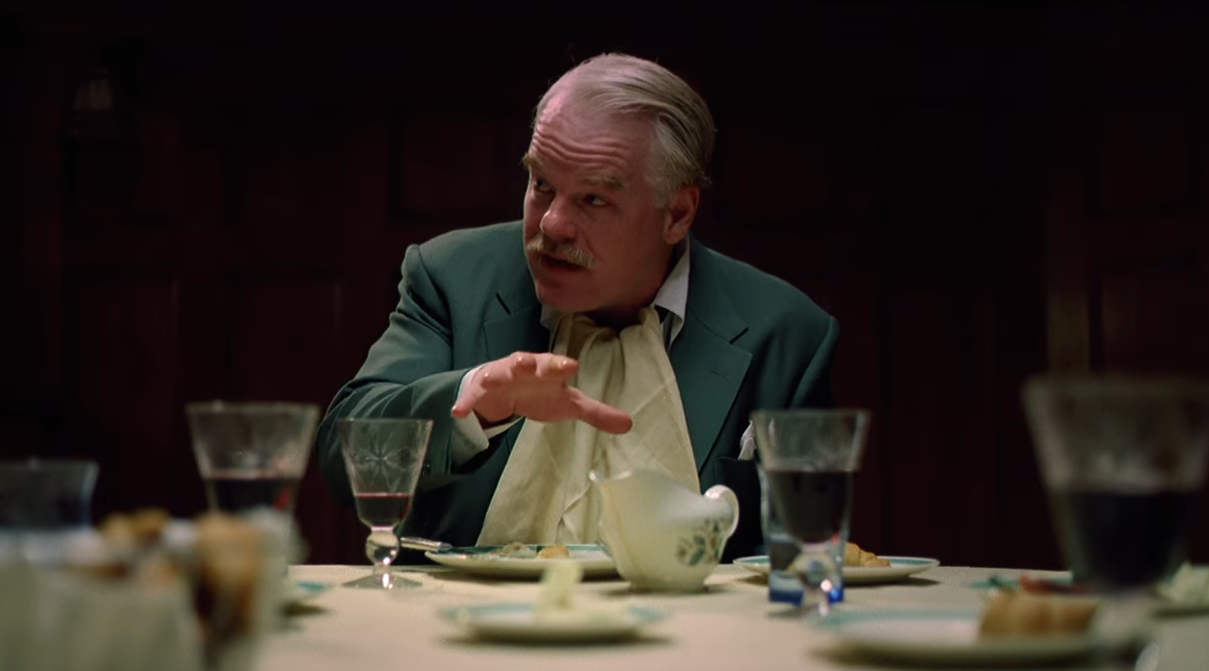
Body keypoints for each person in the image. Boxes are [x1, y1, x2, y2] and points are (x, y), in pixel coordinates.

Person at [315, 53, 838, 561]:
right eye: (541, 185)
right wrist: (475, 399)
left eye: (594, 200)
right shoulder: (452, 278)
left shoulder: (786, 335)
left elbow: (802, 560)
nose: (551, 225)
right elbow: (346, 457)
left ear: (677, 213)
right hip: (468, 632)